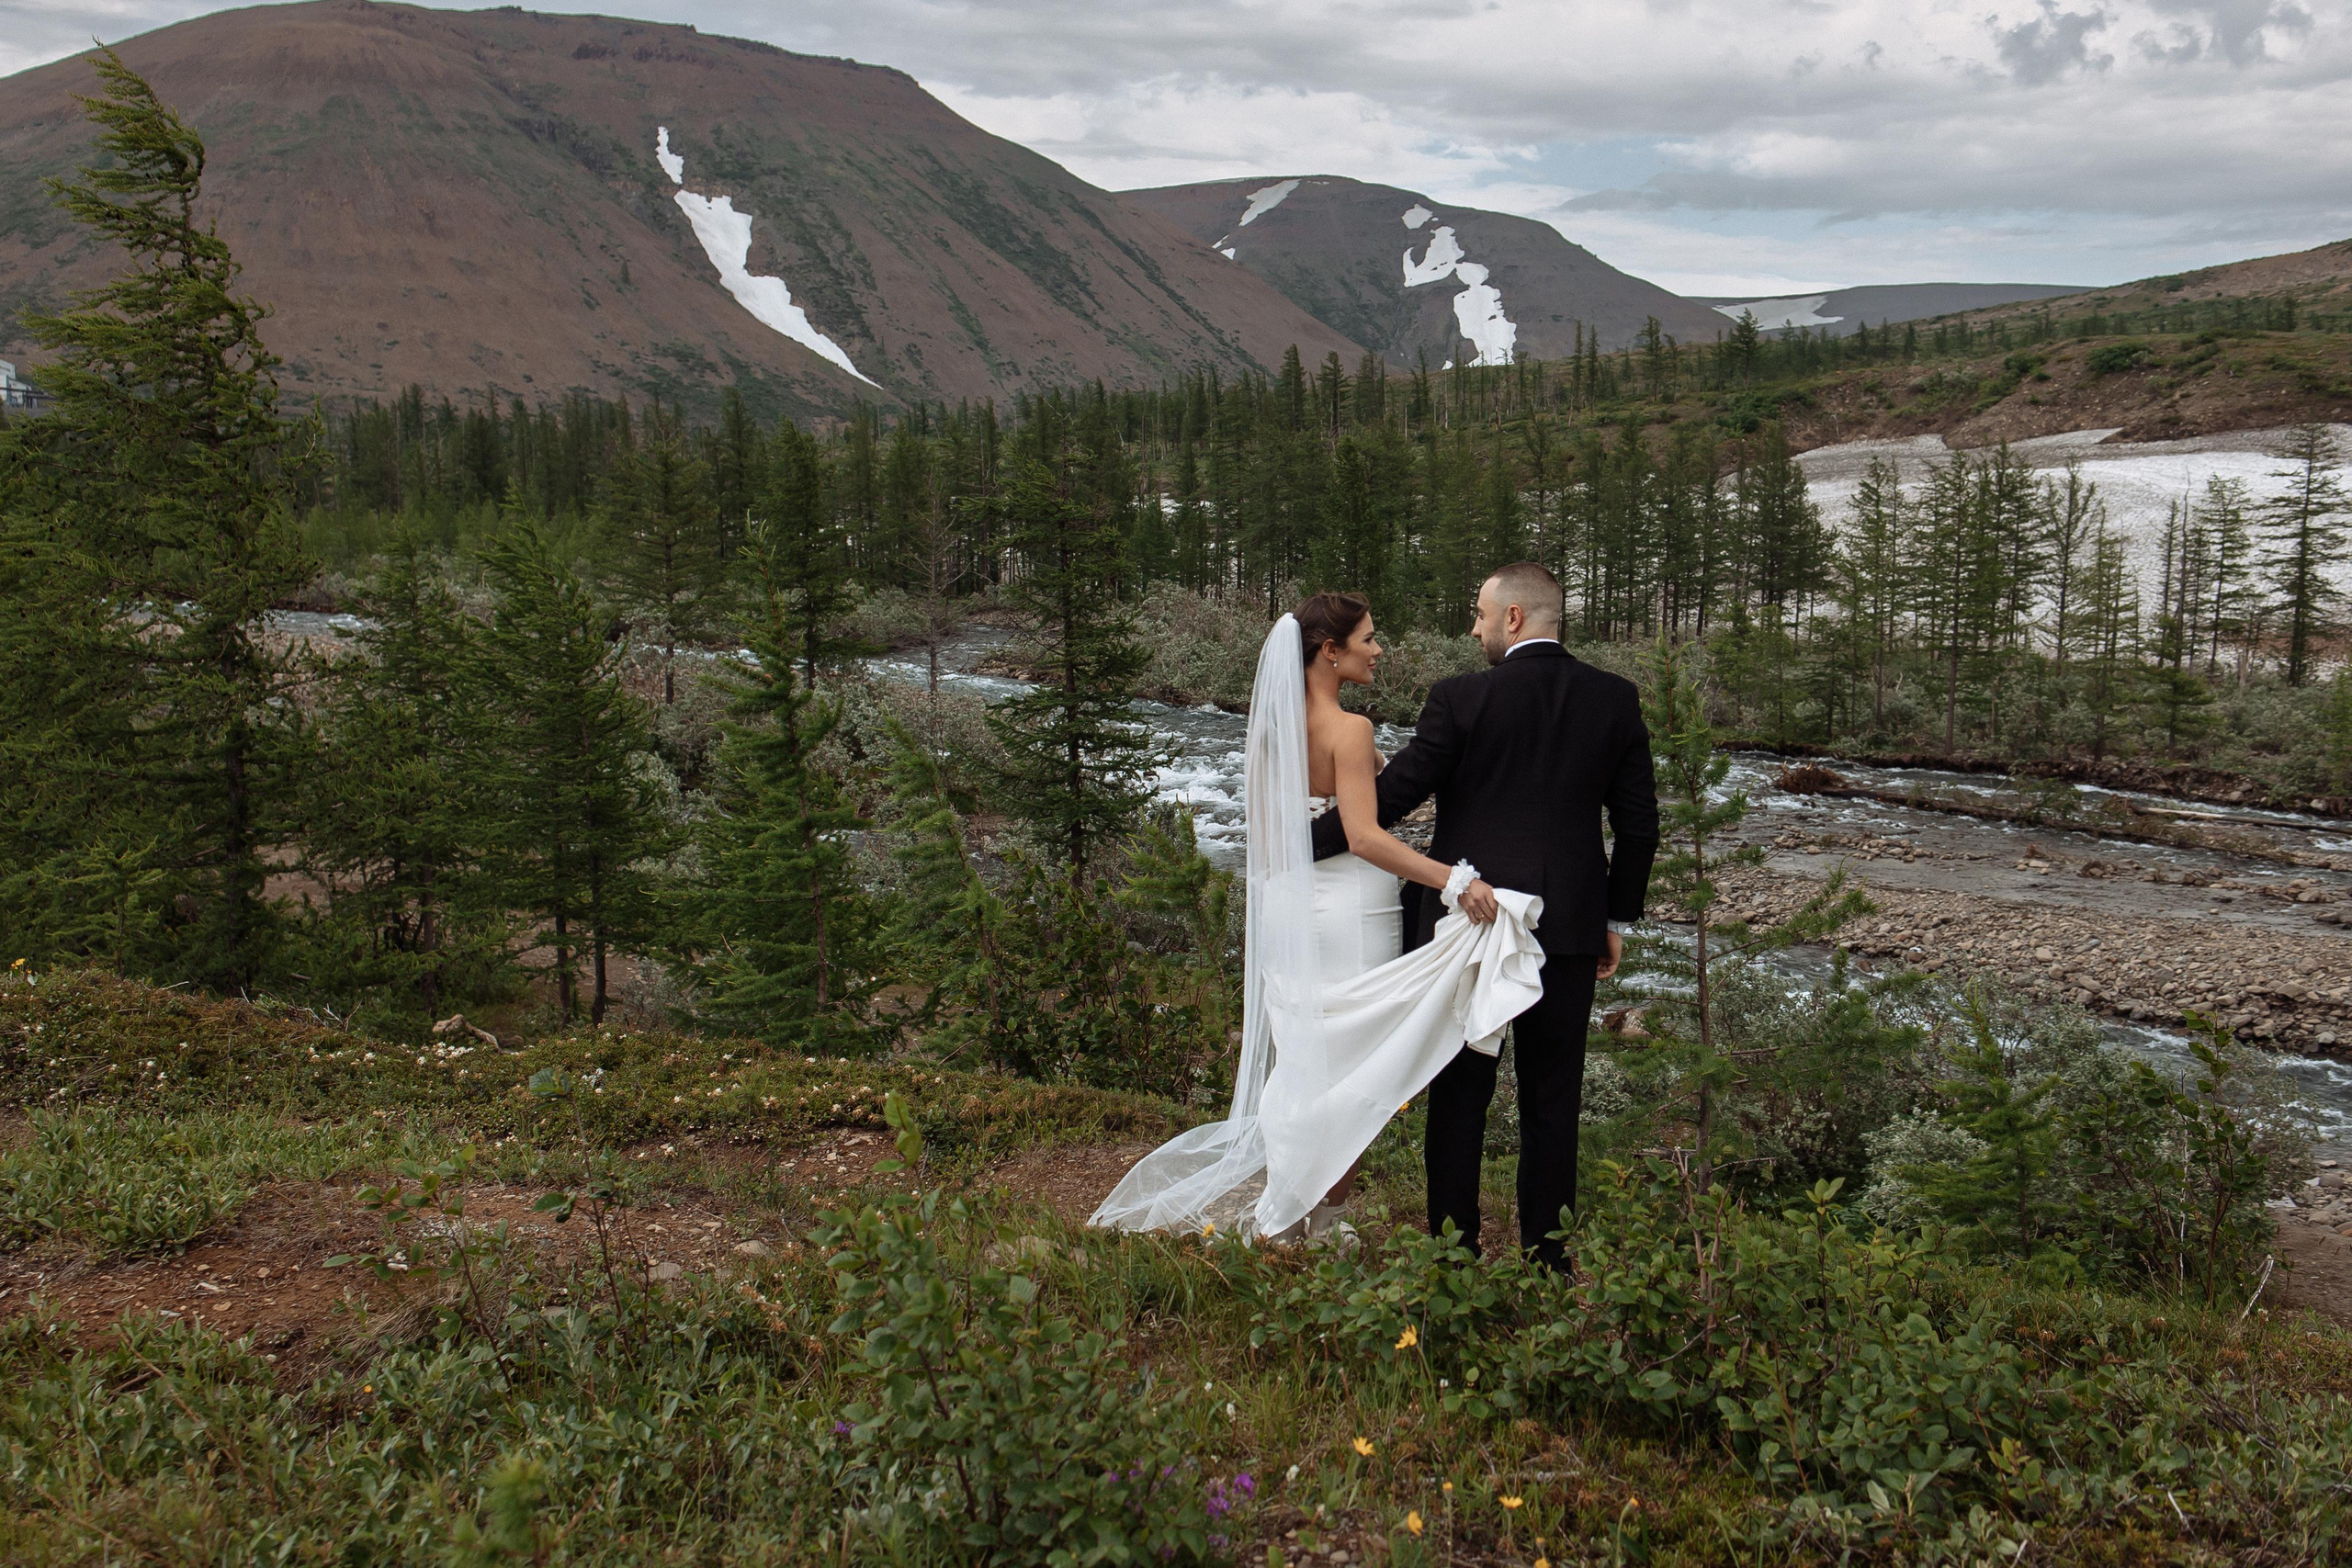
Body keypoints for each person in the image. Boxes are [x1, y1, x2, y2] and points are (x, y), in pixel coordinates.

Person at [1091, 592, 1548, 1244]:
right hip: (1352, 909)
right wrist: (1455, 879)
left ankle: (1299, 1206)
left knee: (1309, 1061)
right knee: (1358, 1070)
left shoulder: (1268, 730)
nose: (1377, 648)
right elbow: (1362, 836)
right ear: (1329, 652)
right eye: (1368, 637)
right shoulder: (1350, 730)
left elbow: (1276, 839)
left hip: (1292, 907)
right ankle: (1317, 1218)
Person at [1307, 562, 1657, 1268]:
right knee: (1553, 1103)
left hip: (1471, 930)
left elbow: (1392, 797)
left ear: (1515, 619)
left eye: (1480, 615)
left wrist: (1293, 846)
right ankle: (1548, 1264)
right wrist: (1615, 917)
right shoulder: (1615, 699)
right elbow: (1639, 824)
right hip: (1565, 930)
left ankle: (1453, 1257)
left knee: (1461, 1099)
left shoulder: (1461, 698)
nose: (1474, 628)